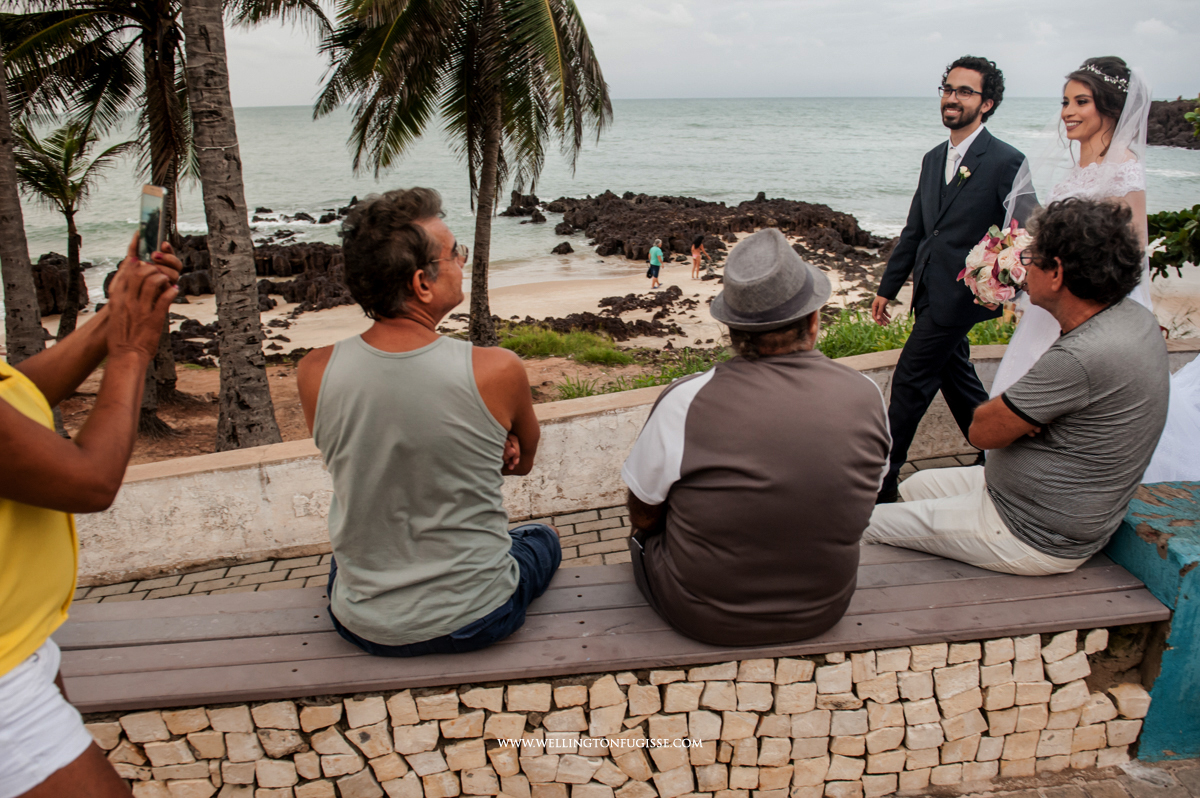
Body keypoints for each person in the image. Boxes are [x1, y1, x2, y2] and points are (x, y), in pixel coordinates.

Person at [297, 188, 561, 657]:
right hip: (478, 617)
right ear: (422, 284)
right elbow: (521, 465)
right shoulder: (496, 369)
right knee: (542, 539)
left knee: (344, 560)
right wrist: (489, 447)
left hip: (363, 622)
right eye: (456, 251)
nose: (462, 259)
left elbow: (365, 455)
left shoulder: (315, 371)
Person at [864, 198, 1168, 575]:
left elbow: (983, 431)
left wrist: (1017, 417)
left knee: (869, 527)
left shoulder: (1080, 356)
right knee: (916, 486)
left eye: (1030, 260)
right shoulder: (1132, 318)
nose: (1023, 271)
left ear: (1056, 273)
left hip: (1031, 530)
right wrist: (1030, 420)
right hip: (1040, 498)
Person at [621, 228, 890, 646]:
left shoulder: (686, 400)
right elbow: (866, 490)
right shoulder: (866, 396)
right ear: (815, 321)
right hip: (824, 608)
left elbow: (643, 509)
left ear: (731, 330)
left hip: (703, 617)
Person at [0, 234, 180, 798]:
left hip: (23, 641)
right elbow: (90, 480)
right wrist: (130, 351)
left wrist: (115, 313)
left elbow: (19, 393)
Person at [985, 56, 1200, 483]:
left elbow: (1133, 251)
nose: (1068, 111)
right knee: (1030, 389)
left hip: (1095, 304)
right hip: (1057, 301)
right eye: (1065, 101)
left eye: (1081, 101)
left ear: (1109, 107)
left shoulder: (1123, 165)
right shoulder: (1077, 169)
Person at [870, 56, 1029, 504]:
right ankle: (998, 460)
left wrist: (1001, 283)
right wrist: (889, 285)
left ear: (988, 103)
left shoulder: (1005, 161)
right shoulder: (932, 158)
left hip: (963, 297)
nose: (952, 98)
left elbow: (1022, 233)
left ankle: (881, 485)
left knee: (909, 381)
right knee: (956, 378)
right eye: (948, 89)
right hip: (927, 289)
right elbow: (917, 230)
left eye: (964, 91)